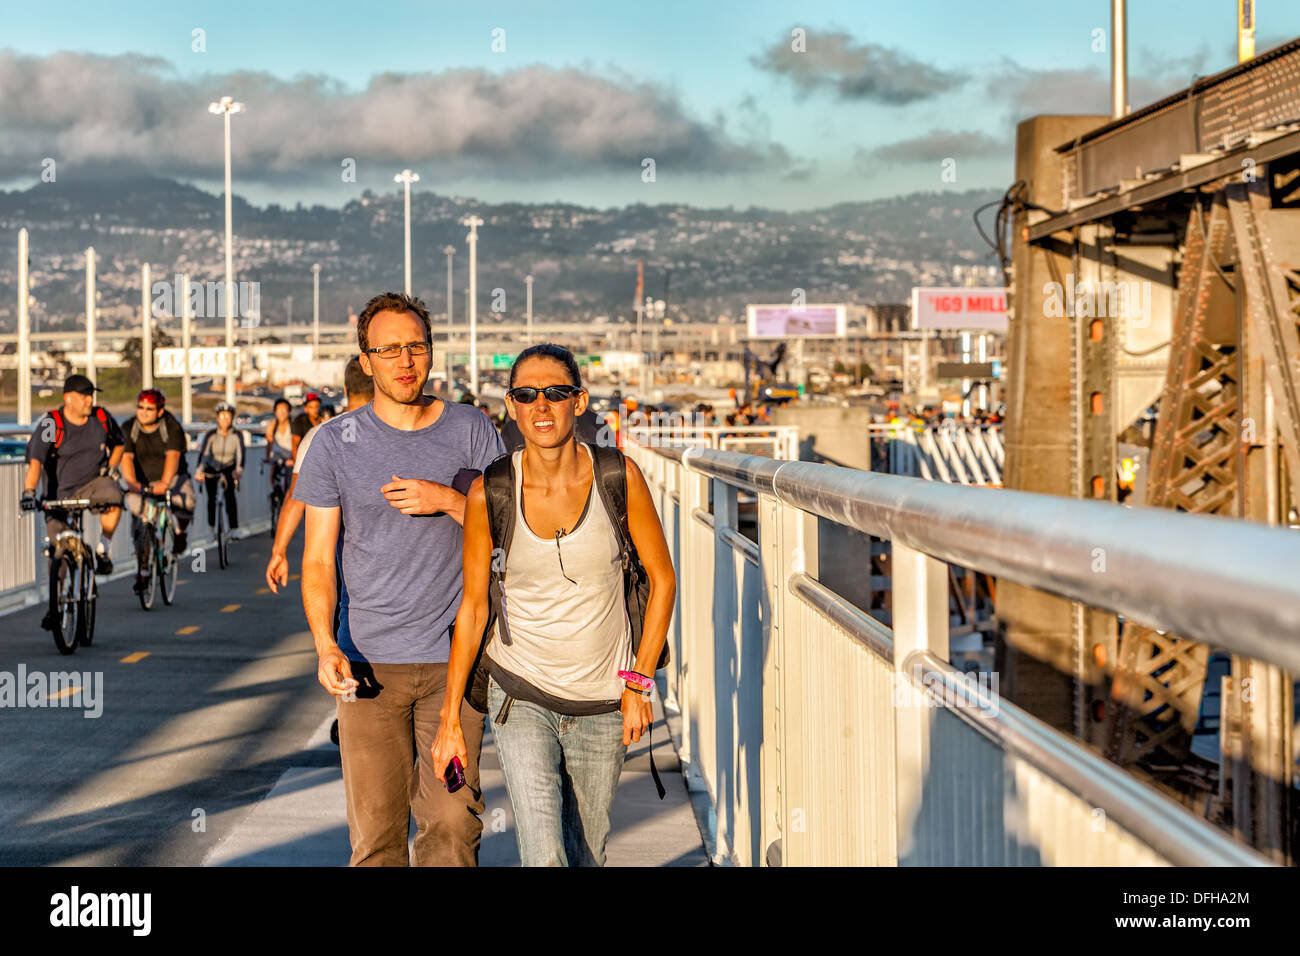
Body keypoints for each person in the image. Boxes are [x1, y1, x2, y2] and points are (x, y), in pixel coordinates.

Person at [432, 343, 676, 867]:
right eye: (526, 395)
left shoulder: (619, 476)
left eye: (556, 393)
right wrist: (450, 717)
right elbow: (473, 608)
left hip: (602, 699)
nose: (541, 407)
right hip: (520, 693)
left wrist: (640, 683)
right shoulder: (489, 491)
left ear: (580, 401)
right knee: (545, 856)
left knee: (586, 855)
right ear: (511, 406)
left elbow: (662, 581)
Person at [294, 292, 505, 867]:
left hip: (455, 666)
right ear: (366, 361)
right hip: (368, 671)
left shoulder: (470, 429)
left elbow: (508, 530)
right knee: (377, 841)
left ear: (432, 353)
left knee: (454, 827)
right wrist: (324, 644)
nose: (405, 361)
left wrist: (448, 500)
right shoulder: (334, 443)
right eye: (389, 350)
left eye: (416, 347)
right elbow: (316, 560)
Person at [20, 375, 126, 623]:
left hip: (93, 485)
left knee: (113, 496)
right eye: (84, 395)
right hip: (59, 493)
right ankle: (55, 606)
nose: (90, 400)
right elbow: (36, 461)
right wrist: (28, 493)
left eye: (92, 395)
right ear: (68, 398)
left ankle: (103, 550)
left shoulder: (101, 418)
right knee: (59, 549)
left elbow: (119, 443)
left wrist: (111, 467)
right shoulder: (51, 423)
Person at [266, 357, 374, 592]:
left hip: (338, 549)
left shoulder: (320, 435)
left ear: (346, 390)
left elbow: (295, 497)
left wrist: (279, 551)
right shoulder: (395, 434)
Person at [120, 388, 196, 592]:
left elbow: (173, 456)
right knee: (140, 518)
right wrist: (132, 483)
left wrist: (164, 483)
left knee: (186, 502)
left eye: (149, 409)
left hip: (171, 478)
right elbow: (126, 458)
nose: (143, 412)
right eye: (140, 407)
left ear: (160, 411)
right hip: (142, 481)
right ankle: (143, 571)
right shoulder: (129, 428)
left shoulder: (171, 427)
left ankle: (180, 531)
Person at [195, 402, 246, 540]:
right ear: (217, 418)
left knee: (230, 497)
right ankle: (212, 529)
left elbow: (241, 455)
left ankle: (234, 529)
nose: (225, 420)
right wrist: (199, 470)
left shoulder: (237, 435)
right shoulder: (211, 435)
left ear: (232, 418)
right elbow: (204, 455)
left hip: (229, 468)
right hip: (212, 468)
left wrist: (238, 470)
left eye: (228, 417)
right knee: (211, 499)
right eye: (222, 416)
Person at [290, 392, 323, 460]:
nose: (315, 410)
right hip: (304, 458)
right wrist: (298, 465)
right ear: (306, 409)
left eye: (317, 406)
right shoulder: (299, 421)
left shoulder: (324, 419)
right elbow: (295, 445)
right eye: (311, 407)